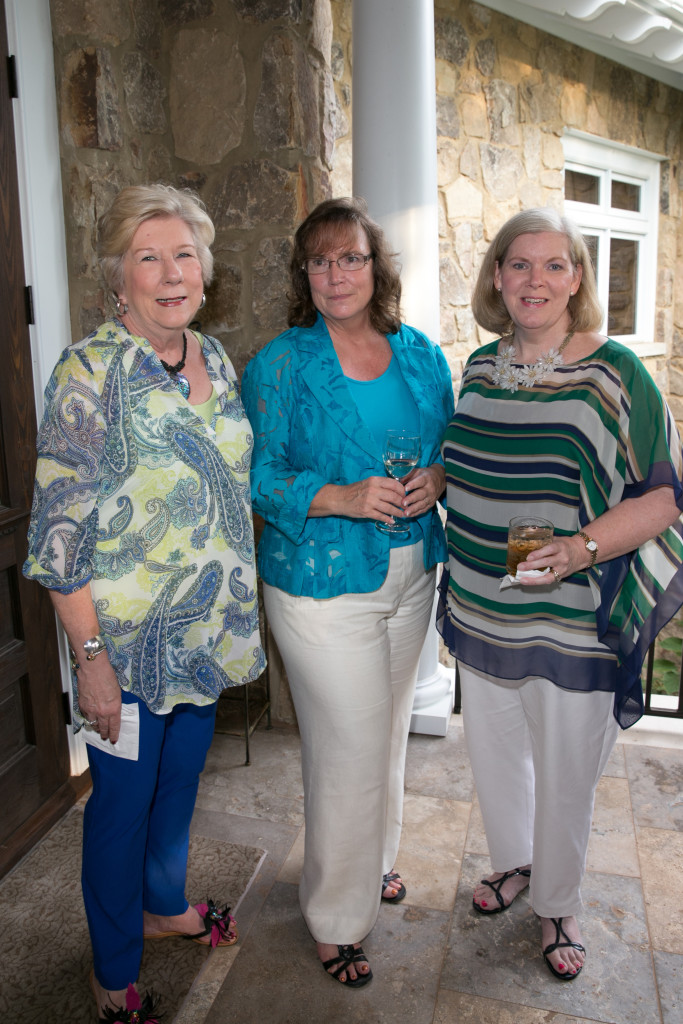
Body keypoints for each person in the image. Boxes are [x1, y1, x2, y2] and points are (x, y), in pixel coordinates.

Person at [23, 184, 265, 1022]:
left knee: (176, 790)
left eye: (185, 254)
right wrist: (89, 663)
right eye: (149, 256)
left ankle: (164, 908)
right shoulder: (90, 371)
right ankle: (112, 969)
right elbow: (59, 537)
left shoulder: (216, 357)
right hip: (125, 646)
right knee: (120, 809)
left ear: (205, 270)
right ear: (118, 279)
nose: (172, 273)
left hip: (207, 631)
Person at [437, 207, 683, 981]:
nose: (533, 280)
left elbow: (663, 497)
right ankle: (514, 864)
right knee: (495, 753)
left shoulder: (614, 373)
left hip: (570, 616)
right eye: (518, 265)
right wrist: (434, 480)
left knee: (566, 768)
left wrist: (580, 548)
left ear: (576, 279)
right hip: (482, 601)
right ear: (497, 277)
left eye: (552, 266)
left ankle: (558, 903)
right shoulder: (478, 366)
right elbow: (470, 459)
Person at [241, 197, 454, 987]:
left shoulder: (422, 356)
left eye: (351, 258)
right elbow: (259, 477)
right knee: (350, 748)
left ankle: (376, 862)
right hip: (321, 583)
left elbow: (445, 450)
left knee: (389, 730)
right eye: (320, 261)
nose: (336, 274)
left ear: (376, 268)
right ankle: (335, 917)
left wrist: (434, 478)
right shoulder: (280, 363)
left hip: (410, 573)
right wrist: (342, 495)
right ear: (304, 274)